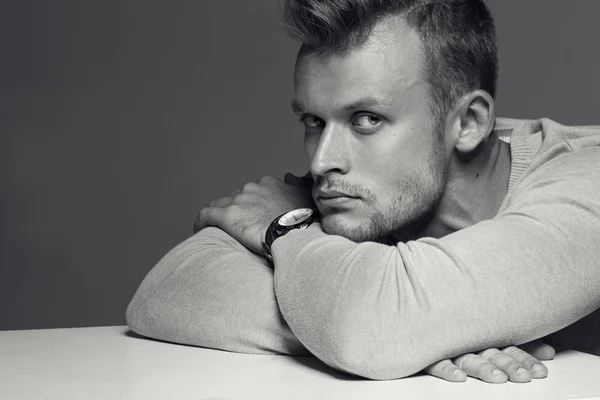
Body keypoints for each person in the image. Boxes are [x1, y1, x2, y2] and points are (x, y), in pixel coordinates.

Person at [126, 0, 600, 383]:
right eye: (313, 121)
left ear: (469, 123)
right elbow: (166, 290)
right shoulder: (362, 198)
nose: (321, 161)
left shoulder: (587, 182)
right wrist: (416, 333)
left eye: (366, 120)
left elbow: (373, 328)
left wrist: (287, 233)